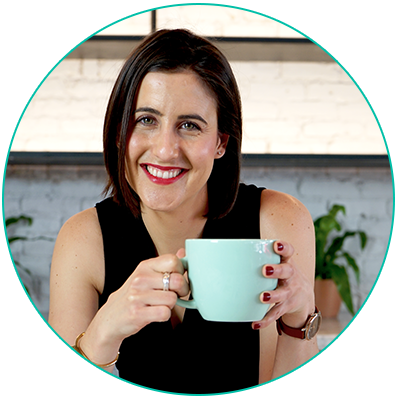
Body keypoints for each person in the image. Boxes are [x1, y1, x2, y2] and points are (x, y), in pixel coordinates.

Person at [48, 29, 319, 394]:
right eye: (146, 120)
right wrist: (100, 338)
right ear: (119, 131)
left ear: (221, 142)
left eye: (190, 126)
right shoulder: (84, 239)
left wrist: (300, 319)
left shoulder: (277, 220)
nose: (165, 150)